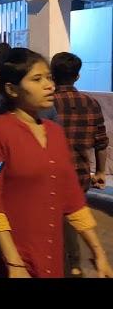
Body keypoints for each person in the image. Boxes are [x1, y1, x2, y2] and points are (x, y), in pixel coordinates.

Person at [0, 48, 113, 278]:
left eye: (48, 77)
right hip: (7, 256)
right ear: (11, 89)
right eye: (37, 79)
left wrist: (99, 253)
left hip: (48, 250)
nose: (49, 85)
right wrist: (14, 264)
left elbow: (72, 198)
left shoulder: (54, 133)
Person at [51, 51, 109, 278]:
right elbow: (101, 142)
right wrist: (101, 171)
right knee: (74, 221)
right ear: (77, 76)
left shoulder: (48, 103)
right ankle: (73, 266)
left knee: (54, 224)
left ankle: (63, 266)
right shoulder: (91, 103)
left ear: (52, 75)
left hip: (52, 174)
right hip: (80, 175)